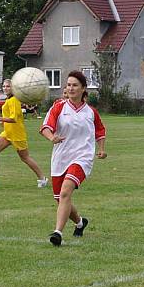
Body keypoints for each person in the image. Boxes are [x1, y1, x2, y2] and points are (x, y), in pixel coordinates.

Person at [40, 71, 107, 246]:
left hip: (82, 158)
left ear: (83, 88)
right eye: (68, 85)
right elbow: (46, 127)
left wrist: (101, 149)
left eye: (75, 85)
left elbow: (100, 131)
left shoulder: (91, 112)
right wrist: (51, 138)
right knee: (60, 198)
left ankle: (57, 233)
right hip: (61, 158)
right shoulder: (58, 107)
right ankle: (79, 222)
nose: (70, 88)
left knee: (65, 192)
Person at [0, 79, 48, 188]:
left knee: (25, 158)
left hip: (17, 134)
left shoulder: (14, 100)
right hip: (7, 133)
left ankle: (42, 178)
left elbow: (14, 119)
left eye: (8, 86)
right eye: (4, 86)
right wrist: (2, 122)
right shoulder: (9, 100)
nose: (5, 88)